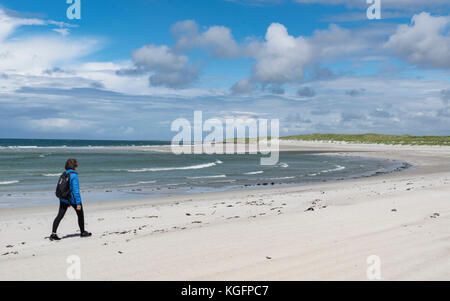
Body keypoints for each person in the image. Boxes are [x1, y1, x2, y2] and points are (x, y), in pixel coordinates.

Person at [50, 158, 92, 241]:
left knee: (60, 215)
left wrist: (66, 200)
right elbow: (76, 191)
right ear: (74, 166)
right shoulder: (74, 175)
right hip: (72, 199)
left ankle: (53, 234)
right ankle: (83, 232)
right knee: (80, 215)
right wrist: (78, 203)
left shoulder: (64, 174)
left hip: (63, 198)